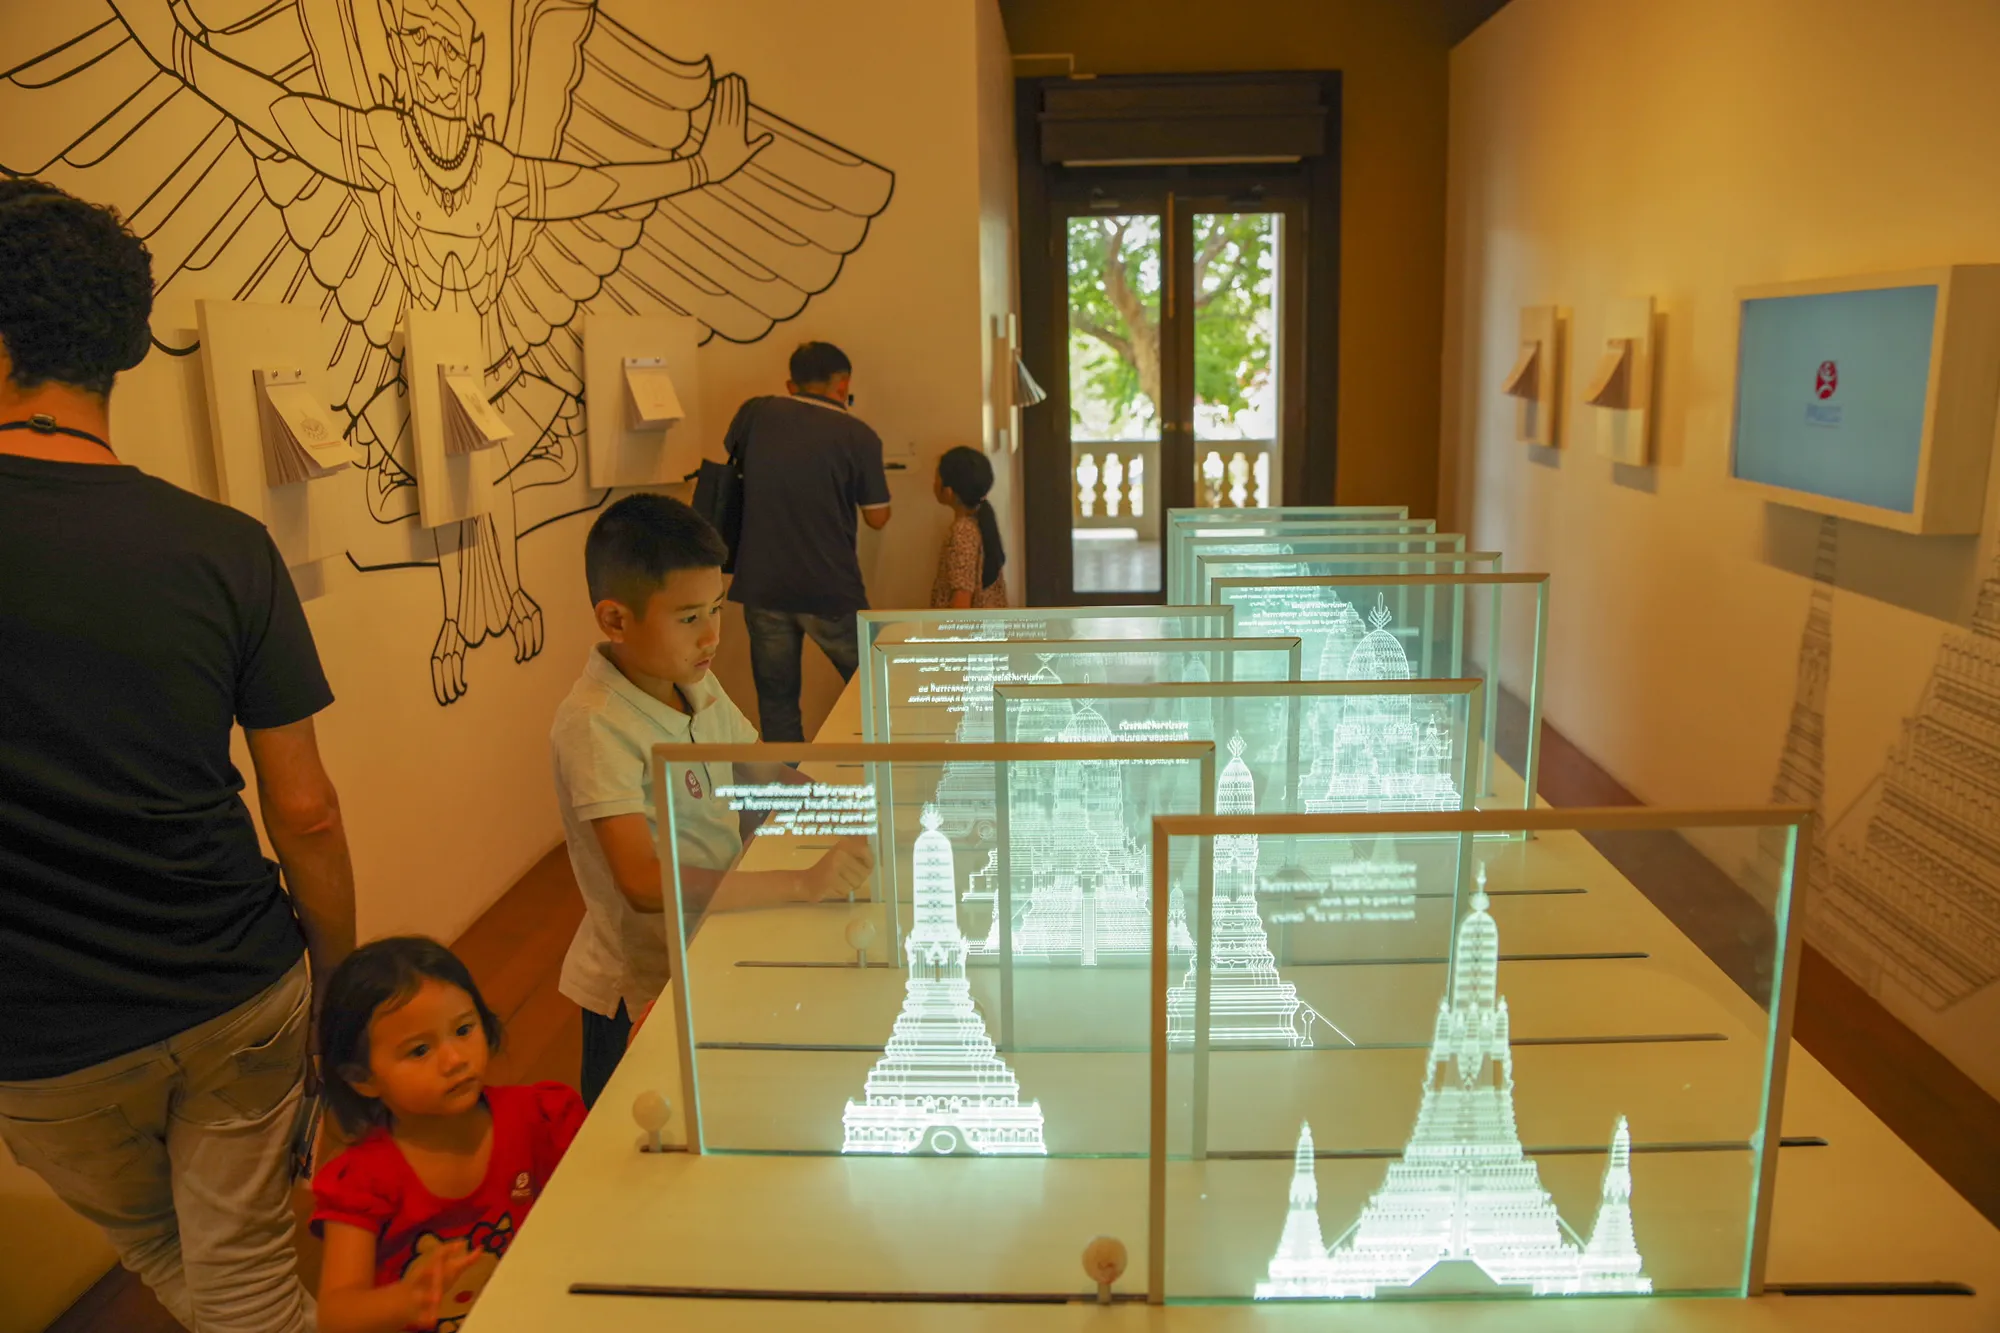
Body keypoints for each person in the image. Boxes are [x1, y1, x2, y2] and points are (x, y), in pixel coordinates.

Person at [0, 182, 355, 1332]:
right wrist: (337, 981)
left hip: (42, 1036)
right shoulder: (225, 546)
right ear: (118, 349)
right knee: (239, 1272)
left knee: (167, 1249)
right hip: (237, 984)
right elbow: (304, 808)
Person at [552, 494, 874, 1106]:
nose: (712, 636)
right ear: (616, 620)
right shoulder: (595, 725)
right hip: (640, 986)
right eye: (688, 617)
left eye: (718, 609)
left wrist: (858, 812)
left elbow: (764, 772)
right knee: (634, 1130)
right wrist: (801, 883)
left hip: (708, 941)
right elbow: (643, 882)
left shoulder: (693, 683)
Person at [311, 937, 582, 1333]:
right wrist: (404, 1301)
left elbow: (610, 1183)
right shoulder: (362, 1181)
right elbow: (336, 1315)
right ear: (363, 1079)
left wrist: (635, 1067)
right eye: (419, 1050)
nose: (455, 1059)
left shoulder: (540, 1117)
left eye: (463, 1029)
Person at [724, 341, 892, 741]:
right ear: (843, 384)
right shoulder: (858, 435)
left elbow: (733, 454)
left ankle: (788, 780)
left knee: (777, 703)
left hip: (762, 584)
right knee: (878, 687)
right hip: (828, 586)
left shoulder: (756, 413)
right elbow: (877, 517)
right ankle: (888, 770)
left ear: (791, 384)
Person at [930, 446, 1009, 609]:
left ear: (948, 491)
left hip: (965, 626)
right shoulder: (978, 524)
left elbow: (961, 600)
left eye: (937, 478)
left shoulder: (962, 532)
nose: (933, 483)